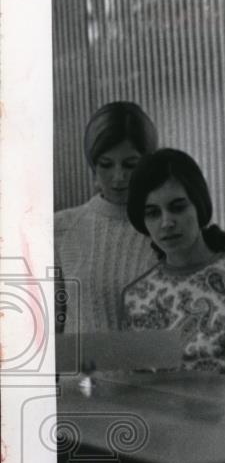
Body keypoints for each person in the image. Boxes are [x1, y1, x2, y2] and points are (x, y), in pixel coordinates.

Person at [122, 148, 225, 377]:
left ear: (198, 205)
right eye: (153, 213)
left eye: (178, 207)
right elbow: (139, 390)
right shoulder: (137, 296)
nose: (166, 222)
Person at [54, 101, 159, 333]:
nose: (118, 176)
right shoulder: (60, 229)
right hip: (81, 368)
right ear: (93, 166)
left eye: (130, 165)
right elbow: (50, 326)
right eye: (106, 165)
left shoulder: (165, 227)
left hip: (154, 368)